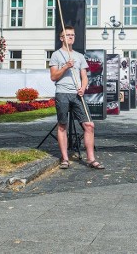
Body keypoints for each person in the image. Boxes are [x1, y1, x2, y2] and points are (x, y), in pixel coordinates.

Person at [49, 25, 104, 170]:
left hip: (77, 94)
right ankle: (65, 158)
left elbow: (84, 77)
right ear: (62, 38)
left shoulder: (79, 56)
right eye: (67, 35)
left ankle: (91, 159)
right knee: (62, 126)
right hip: (62, 93)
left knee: (89, 125)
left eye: (72, 35)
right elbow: (53, 77)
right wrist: (66, 66)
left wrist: (83, 87)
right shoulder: (56, 55)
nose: (71, 37)